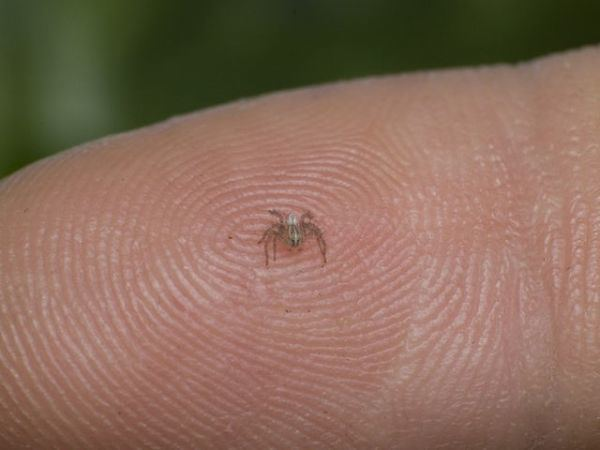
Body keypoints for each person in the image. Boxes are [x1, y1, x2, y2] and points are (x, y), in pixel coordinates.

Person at [1, 46, 599, 448]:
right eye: (290, 228)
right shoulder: (287, 227)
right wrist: (285, 249)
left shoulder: (301, 226)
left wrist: (310, 249)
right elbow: (294, 228)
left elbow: (309, 228)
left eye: (293, 228)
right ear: (289, 228)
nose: (291, 231)